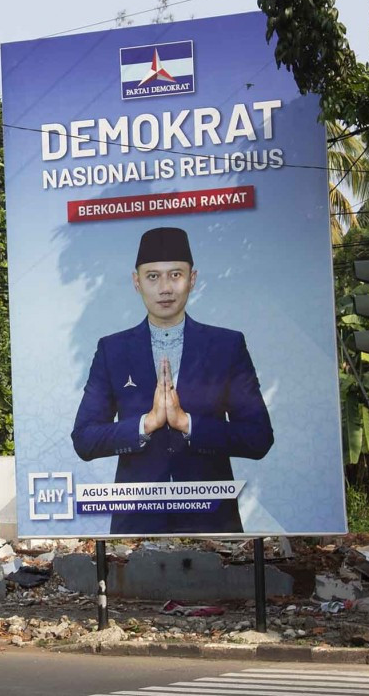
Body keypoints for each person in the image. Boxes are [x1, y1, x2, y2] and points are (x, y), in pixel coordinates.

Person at [71, 226, 273, 536]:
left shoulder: (226, 346)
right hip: (136, 524)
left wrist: (188, 423)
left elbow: (259, 437)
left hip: (212, 522)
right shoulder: (112, 350)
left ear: (192, 279)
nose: (165, 288)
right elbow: (84, 438)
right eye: (153, 276)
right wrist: (146, 424)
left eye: (175, 275)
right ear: (136, 282)